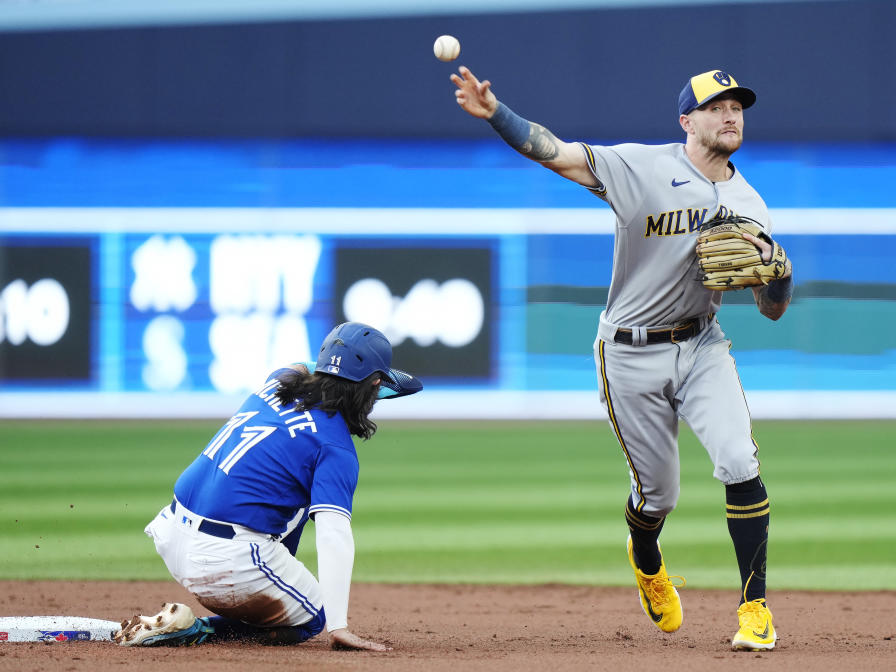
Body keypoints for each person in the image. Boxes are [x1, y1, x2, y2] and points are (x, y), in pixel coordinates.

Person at [449, 66, 793, 651]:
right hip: (629, 351)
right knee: (659, 495)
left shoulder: (750, 203)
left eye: (737, 106)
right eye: (716, 107)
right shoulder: (643, 167)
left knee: (739, 461)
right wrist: (497, 114)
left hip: (703, 343)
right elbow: (554, 152)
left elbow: (772, 309)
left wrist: (779, 273)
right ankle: (646, 554)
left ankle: (754, 607)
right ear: (687, 121)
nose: (731, 115)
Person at [113, 322, 422, 651]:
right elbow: (334, 536)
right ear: (375, 384)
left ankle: (263, 577)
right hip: (224, 563)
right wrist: (338, 626)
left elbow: (304, 366)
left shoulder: (279, 381)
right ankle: (195, 629)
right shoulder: (335, 447)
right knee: (312, 616)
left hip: (171, 534)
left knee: (294, 496)